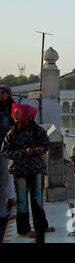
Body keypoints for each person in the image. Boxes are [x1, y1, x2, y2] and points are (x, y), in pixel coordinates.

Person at [1, 103, 54, 243]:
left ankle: (41, 226)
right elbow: (5, 151)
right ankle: (24, 229)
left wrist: (38, 150)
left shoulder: (38, 131)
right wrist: (24, 152)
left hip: (35, 169)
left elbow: (46, 145)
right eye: (16, 113)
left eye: (19, 113)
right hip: (19, 171)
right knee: (22, 201)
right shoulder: (12, 133)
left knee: (37, 200)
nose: (16, 116)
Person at [0, 85, 15, 224]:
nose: (0, 94)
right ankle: (3, 213)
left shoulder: (13, 108)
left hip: (6, 146)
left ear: (8, 94)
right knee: (3, 179)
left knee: (5, 177)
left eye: (3, 92)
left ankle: (4, 210)